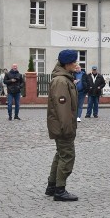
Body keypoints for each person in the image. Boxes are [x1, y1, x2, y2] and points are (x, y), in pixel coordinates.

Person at [45, 50, 79, 201]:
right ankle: (60, 190)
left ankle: (52, 186)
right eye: (74, 62)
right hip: (63, 127)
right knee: (67, 155)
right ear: (67, 64)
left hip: (61, 125)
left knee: (60, 154)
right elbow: (62, 108)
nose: (76, 64)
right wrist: (68, 128)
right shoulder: (61, 81)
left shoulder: (64, 79)